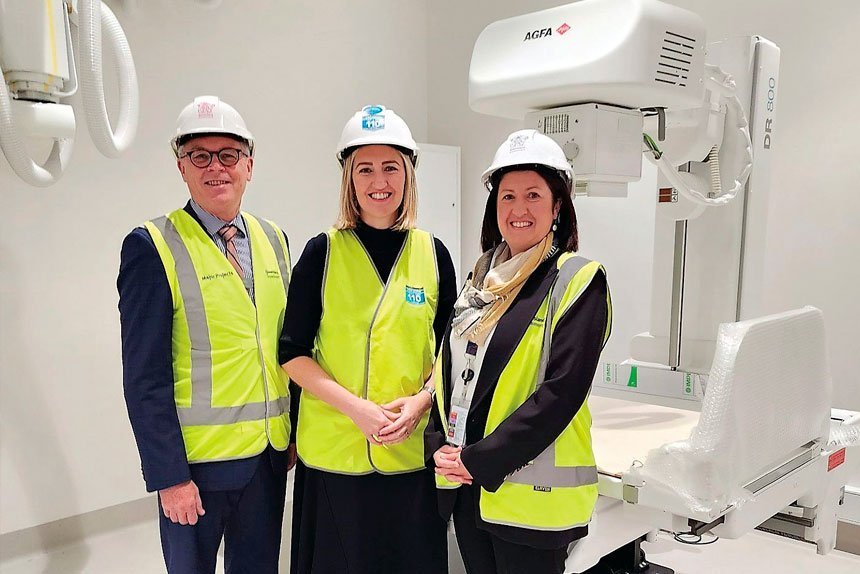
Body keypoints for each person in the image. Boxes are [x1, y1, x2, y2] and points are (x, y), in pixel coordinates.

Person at [118, 95, 295, 574]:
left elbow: (285, 347)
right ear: (182, 166)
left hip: (267, 458)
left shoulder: (273, 238)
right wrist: (169, 477)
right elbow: (144, 377)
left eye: (229, 155)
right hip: (196, 468)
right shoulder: (152, 246)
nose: (216, 168)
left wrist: (295, 429)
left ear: (249, 165)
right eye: (200, 156)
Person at [425, 129, 612, 574]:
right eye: (507, 196)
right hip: (470, 489)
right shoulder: (482, 276)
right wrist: (439, 446)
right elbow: (449, 370)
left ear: (557, 206)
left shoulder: (578, 280)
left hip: (530, 499)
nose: (518, 208)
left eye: (533, 195)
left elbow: (560, 394)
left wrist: (479, 461)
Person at [280, 105, 457, 573]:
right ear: (349, 179)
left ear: (408, 174)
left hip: (409, 451)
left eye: (390, 167)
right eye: (365, 169)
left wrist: (422, 400)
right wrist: (356, 409)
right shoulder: (322, 252)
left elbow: (451, 351)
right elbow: (292, 354)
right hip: (336, 454)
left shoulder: (434, 254)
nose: (379, 181)